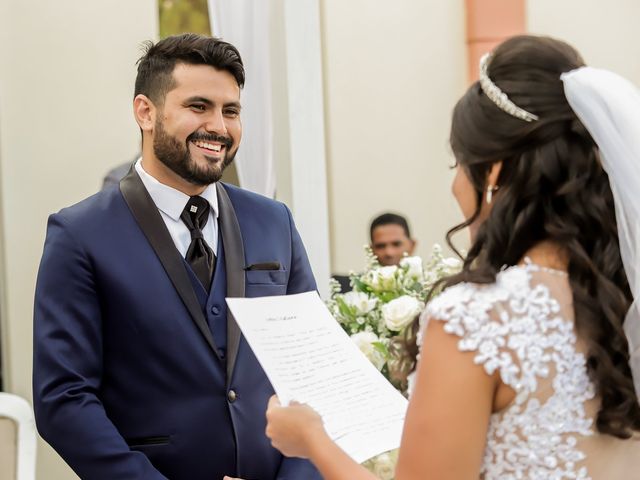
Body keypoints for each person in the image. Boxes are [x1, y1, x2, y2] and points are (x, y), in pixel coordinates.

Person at [263, 35, 640, 479]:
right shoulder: (622, 302)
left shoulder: (477, 318)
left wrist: (312, 440)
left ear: (493, 173)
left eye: (457, 164)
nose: (455, 183)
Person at [33, 34, 321, 480]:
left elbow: (311, 367)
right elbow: (64, 399)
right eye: (198, 107)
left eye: (231, 111)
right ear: (145, 112)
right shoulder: (79, 234)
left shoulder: (273, 222)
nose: (220, 128)